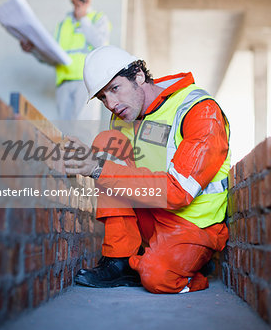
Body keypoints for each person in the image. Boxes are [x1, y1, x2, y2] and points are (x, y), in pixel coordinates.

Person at [64, 45, 230, 294]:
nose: (111, 103)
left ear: (139, 76)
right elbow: (121, 174)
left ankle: (186, 271)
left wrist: (97, 168)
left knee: (156, 277)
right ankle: (120, 261)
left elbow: (177, 192)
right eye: (102, 97)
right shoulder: (122, 117)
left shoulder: (200, 111)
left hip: (191, 223)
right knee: (106, 143)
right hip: (151, 215)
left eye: (114, 89)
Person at [21, 0, 111, 128]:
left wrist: (83, 19)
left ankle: (84, 153)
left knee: (84, 131)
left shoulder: (98, 19)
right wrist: (34, 50)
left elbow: (100, 45)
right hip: (63, 84)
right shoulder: (62, 25)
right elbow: (51, 56)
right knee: (65, 132)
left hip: (87, 82)